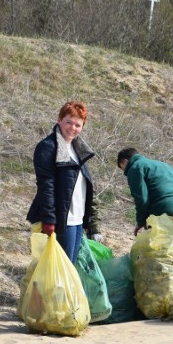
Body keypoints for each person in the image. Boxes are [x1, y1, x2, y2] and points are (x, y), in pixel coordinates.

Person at [26, 101, 102, 263]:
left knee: (69, 267)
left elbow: (83, 188)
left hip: (77, 219)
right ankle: (46, 290)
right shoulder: (48, 147)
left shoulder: (77, 149)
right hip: (62, 220)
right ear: (59, 119)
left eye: (78, 125)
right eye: (69, 122)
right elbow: (46, 186)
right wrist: (49, 220)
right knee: (59, 266)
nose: (72, 128)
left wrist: (89, 220)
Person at [117, 148, 173, 236]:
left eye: (123, 169)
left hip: (164, 208)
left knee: (160, 246)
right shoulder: (163, 165)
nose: (125, 172)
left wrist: (140, 222)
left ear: (125, 162)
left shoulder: (135, 167)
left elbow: (141, 198)